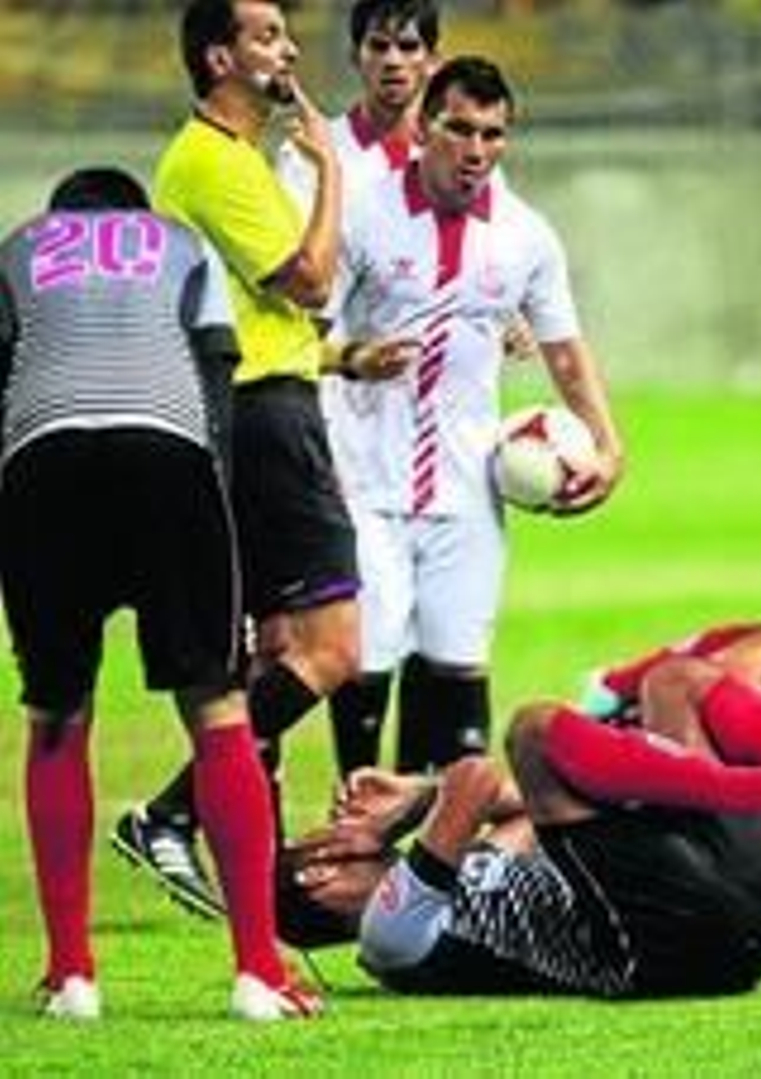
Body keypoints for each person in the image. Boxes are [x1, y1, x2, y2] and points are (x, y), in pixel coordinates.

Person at [0, 167, 318, 1020]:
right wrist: (218, 532)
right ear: (135, 216)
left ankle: (72, 976)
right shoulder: (183, 245)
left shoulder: (17, 250)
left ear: (61, 218)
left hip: (42, 466)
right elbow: (216, 381)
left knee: (57, 713)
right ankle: (258, 971)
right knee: (216, 709)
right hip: (168, 459)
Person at [272, 641, 761, 996]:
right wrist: (404, 809)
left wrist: (421, 795)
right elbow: (479, 777)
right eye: (324, 837)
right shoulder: (388, 934)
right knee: (536, 728)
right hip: (660, 947)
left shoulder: (461, 888)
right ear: (321, 872)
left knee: (676, 681)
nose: (339, 826)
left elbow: (525, 804)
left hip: (726, 919)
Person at [110, 0, 370, 921]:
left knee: (280, 652)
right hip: (266, 419)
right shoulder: (214, 162)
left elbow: (285, 310)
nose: (290, 49)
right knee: (336, 651)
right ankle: (168, 813)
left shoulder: (230, 161)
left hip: (255, 406)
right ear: (219, 55)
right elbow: (311, 280)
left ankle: (252, 879)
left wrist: (334, 351)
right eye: (267, 37)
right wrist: (331, 170)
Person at [322, 54, 625, 784]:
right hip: (366, 476)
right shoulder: (359, 215)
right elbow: (304, 337)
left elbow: (565, 353)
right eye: (460, 130)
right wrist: (352, 356)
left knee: (457, 658)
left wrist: (609, 447)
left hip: (469, 485)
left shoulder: (525, 236)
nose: (477, 151)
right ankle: (356, 827)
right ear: (424, 128)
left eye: (493, 135)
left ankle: (435, 853)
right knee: (369, 657)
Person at [275, 0, 444, 779]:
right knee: (348, 631)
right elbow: (281, 304)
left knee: (425, 628)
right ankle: (348, 801)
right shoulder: (311, 158)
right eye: (379, 45)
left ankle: (405, 812)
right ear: (357, 55)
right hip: (333, 423)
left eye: (409, 45)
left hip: (432, 438)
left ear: (432, 59)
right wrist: (345, 357)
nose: (394, 60)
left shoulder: (456, 151)